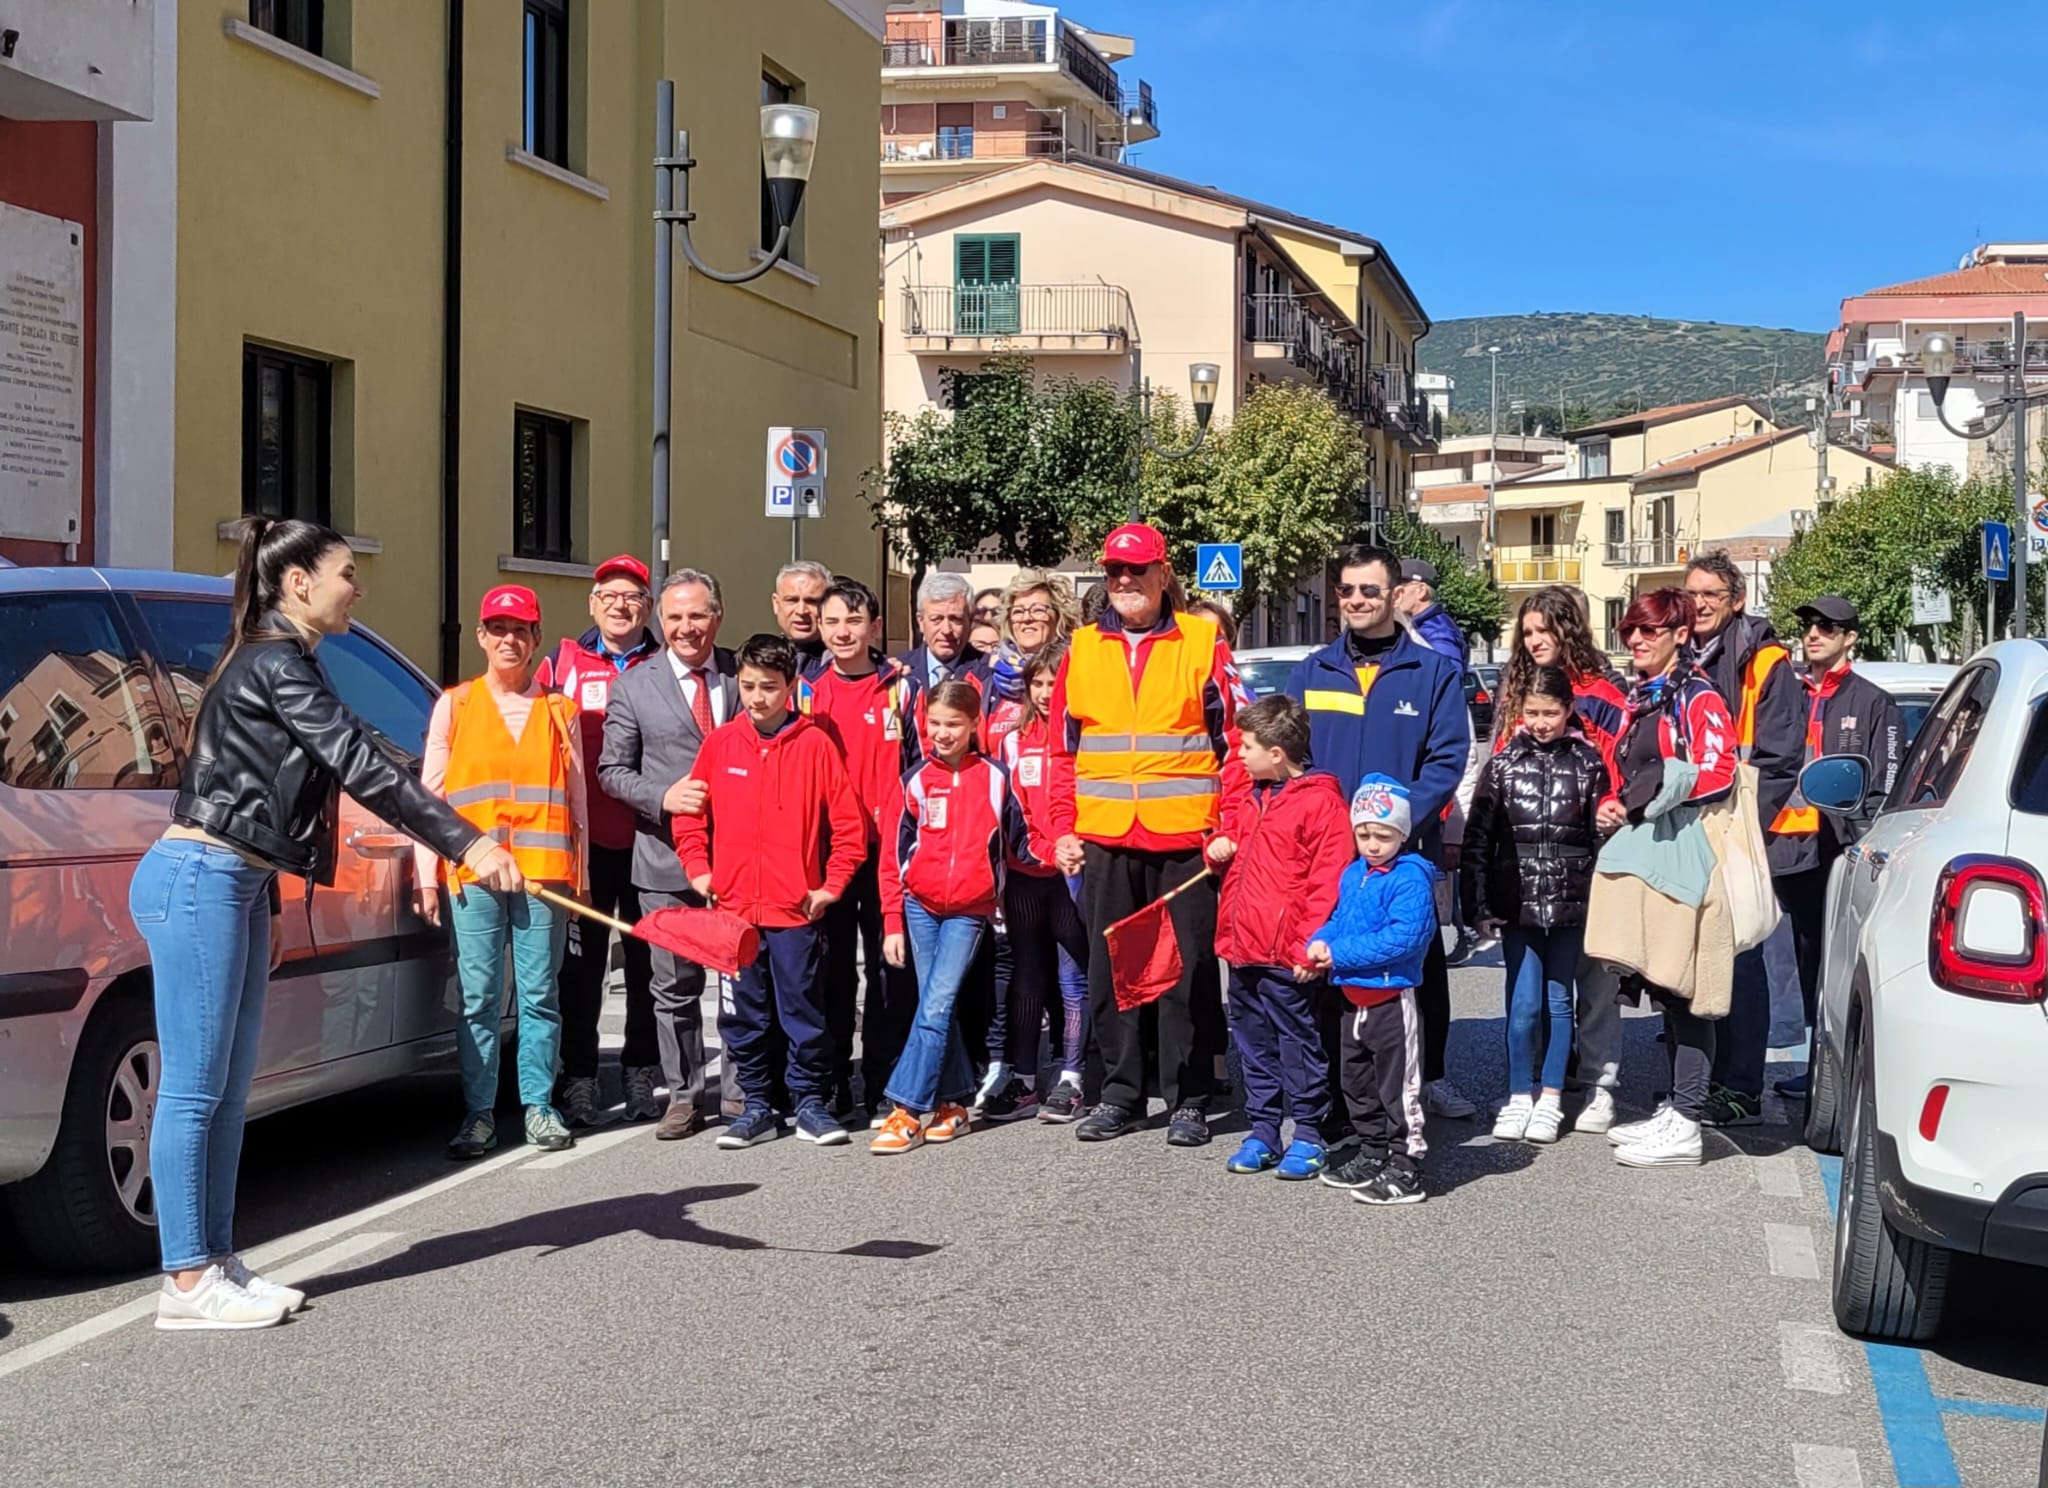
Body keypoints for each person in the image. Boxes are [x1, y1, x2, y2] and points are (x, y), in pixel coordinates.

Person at [136, 518, 521, 1330]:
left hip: (235, 884)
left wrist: (268, 905)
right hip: (199, 880)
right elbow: (358, 761)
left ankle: (217, 1262)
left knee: (228, 1091)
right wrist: (468, 841)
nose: (358, 585)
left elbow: (277, 784)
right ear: (299, 582)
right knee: (195, 1091)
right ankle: (184, 1283)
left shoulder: (286, 659)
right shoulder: (275, 661)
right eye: (347, 572)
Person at [1050, 522, 1249, 1146]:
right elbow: (1060, 753)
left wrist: (1230, 825)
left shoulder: (1202, 639)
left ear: (1165, 574)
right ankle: (1121, 1093)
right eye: (1114, 571)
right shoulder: (1080, 649)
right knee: (1112, 969)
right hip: (1105, 836)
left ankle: (1189, 1094)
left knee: (1187, 970)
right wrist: (1061, 827)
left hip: (1185, 837)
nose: (1125, 581)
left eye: (1137, 570)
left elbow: (1237, 741)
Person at [1285, 544, 1476, 1123]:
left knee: (1415, 969)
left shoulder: (1434, 672)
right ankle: (1341, 1099)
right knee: (1331, 962)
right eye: (1347, 590)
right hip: (1328, 854)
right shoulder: (1313, 670)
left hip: (1400, 853)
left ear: (1395, 595)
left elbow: (1447, 760)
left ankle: (1428, 1078)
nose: (1358, 600)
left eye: (1370, 590)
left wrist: (1390, 820)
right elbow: (1291, 753)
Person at [672, 633, 867, 1149]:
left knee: (803, 1011)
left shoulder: (815, 745)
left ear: (791, 688)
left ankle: (809, 1102)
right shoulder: (720, 744)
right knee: (742, 1014)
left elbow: (848, 828)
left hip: (794, 912)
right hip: (733, 914)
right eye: (749, 685)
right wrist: (699, 870)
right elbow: (691, 816)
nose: (757, 697)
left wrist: (830, 886)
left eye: (769, 687)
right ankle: (757, 1105)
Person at [417, 584, 589, 1160]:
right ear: (482, 637)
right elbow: (430, 798)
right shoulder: (457, 705)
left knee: (541, 995)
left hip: (545, 876)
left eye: (521, 630)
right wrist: (426, 873)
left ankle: (539, 1106)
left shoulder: (561, 711)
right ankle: (480, 1114)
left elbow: (579, 798)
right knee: (479, 996)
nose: (509, 639)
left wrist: (581, 875)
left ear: (537, 638)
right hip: (474, 876)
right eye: (498, 629)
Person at [1594, 588, 1739, 1168]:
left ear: (1681, 634)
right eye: (1631, 630)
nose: (1636, 640)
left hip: (1690, 856)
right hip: (1659, 856)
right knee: (1666, 988)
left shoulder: (1696, 695)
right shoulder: (1649, 694)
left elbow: (1720, 770)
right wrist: (1619, 803)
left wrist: (1644, 802)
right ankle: (1678, 1112)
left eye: (1650, 631)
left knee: (1687, 990)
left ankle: (1687, 1119)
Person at [597, 569, 737, 1139]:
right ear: (661, 620)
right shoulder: (634, 685)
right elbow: (611, 771)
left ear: (717, 616)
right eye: (675, 617)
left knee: (739, 978)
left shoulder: (739, 672)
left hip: (738, 860)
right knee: (672, 987)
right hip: (663, 859)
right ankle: (684, 1094)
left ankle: (741, 1088)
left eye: (697, 615)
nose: (686, 628)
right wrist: (663, 797)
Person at [871, 681, 1038, 1153]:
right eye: (935, 724)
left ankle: (904, 1110)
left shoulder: (996, 777)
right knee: (933, 1005)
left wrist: (1059, 851)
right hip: (918, 906)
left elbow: (1021, 842)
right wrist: (890, 922)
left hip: (970, 909)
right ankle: (954, 1104)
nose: (942, 734)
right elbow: (892, 858)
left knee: (938, 1004)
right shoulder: (913, 781)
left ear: (973, 726)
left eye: (953, 725)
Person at [1492, 585, 1630, 1126]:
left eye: (1544, 630)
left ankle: (1599, 1082)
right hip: (1530, 856)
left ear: (1567, 629)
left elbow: (1618, 766)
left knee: (1594, 976)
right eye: (1526, 632)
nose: (1534, 641)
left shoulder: (1602, 693)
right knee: (1542, 984)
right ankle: (1546, 1079)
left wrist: (1612, 804)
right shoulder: (1515, 690)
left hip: (1591, 852)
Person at [533, 554, 663, 1128]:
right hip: (583, 847)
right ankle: (580, 1078)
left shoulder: (665, 664)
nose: (620, 604)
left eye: (632, 595)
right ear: (592, 604)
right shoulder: (562, 662)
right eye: (609, 594)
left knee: (647, 964)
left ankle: (641, 1072)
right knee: (580, 974)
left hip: (650, 841)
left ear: (647, 607)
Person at [1462, 666, 1610, 1145]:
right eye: (1532, 712)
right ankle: (1517, 1094)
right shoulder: (1502, 765)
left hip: (1571, 900)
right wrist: (1478, 904)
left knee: (1559, 1000)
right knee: (1523, 1004)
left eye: (1551, 712)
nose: (1542, 722)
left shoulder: (1588, 764)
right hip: (1517, 899)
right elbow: (1478, 840)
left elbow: (1598, 839)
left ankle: (1550, 1097)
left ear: (1569, 711)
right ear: (1518, 713)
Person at [1212, 695, 1355, 1180]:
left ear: (1277, 753)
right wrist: (1217, 848)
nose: (1240, 755)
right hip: (1243, 945)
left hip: (1286, 951)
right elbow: (1236, 857)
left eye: (1247, 746)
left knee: (1299, 1043)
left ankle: (1311, 1133)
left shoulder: (1320, 802)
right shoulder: (1253, 796)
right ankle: (1264, 1129)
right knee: (1253, 1043)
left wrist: (1307, 946)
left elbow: (1327, 881)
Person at [1684, 550, 1802, 1128]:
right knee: (1702, 955)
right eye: (1693, 594)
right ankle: (1702, 1082)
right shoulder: (1686, 656)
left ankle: (1741, 1089)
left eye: (1711, 594)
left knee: (1744, 957)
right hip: (1690, 827)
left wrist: (1744, 823)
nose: (1699, 604)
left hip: (1742, 826)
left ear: (1736, 601)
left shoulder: (1766, 661)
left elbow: (1780, 756)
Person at [1773, 595, 1905, 1098]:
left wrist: (1862, 843)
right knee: (1792, 964)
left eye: (1827, 627)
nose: (1813, 635)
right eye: (1808, 625)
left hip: (1834, 851)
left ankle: (1825, 1073)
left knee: (1827, 962)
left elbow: (1885, 781)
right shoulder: (1790, 694)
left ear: (1849, 638)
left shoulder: (1872, 702)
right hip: (1781, 845)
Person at [804, 577, 918, 1122]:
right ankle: (831, 1082)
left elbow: (921, 764)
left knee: (888, 967)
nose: (843, 632)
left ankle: (881, 1080)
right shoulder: (805, 691)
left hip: (888, 852)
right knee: (830, 972)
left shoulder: (903, 687)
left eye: (854, 621)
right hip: (825, 855)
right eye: (833, 622)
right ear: (819, 628)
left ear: (874, 626)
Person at [1303, 776, 1439, 1206]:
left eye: (1383, 835)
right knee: (1356, 1083)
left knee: (1399, 1088)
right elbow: (1340, 920)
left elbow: (1404, 939)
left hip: (1390, 998)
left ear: (1402, 833)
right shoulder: (1353, 874)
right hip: (1352, 998)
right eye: (1363, 834)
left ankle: (1406, 1166)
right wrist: (1320, 942)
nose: (1373, 844)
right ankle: (1372, 1151)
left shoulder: (1410, 878)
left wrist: (1339, 953)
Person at [999, 651, 1091, 1122]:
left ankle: (1073, 1076)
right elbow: (1009, 807)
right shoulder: (1013, 738)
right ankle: (1024, 1078)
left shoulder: (1086, 736)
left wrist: (1070, 848)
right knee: (1027, 976)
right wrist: (1040, 848)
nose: (1045, 691)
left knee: (1073, 974)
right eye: (1037, 682)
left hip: (1070, 875)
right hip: (1025, 873)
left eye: (1055, 682)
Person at [981, 568, 1080, 749]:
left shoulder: (1078, 671)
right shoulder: (986, 678)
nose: (1027, 618)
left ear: (1059, 617)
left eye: (1038, 610)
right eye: (1018, 611)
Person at [1394, 559, 1470, 671]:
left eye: (1401, 586)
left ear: (1421, 591)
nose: (1395, 593)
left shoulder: (1439, 631)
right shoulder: (1416, 625)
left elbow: (1450, 677)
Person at [771, 560, 832, 667]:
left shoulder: (847, 663)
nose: (801, 611)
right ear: (776, 604)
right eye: (792, 600)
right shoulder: (756, 661)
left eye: (812, 601)